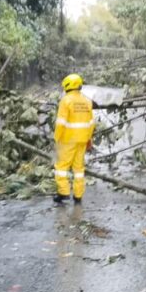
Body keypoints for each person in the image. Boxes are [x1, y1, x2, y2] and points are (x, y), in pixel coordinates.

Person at [54, 73, 95, 205]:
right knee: (78, 169)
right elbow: (91, 123)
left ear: (67, 86)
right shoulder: (87, 101)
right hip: (82, 139)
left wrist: (56, 139)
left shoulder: (66, 101)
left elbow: (61, 123)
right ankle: (78, 196)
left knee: (61, 167)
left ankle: (63, 192)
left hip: (68, 139)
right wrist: (89, 138)